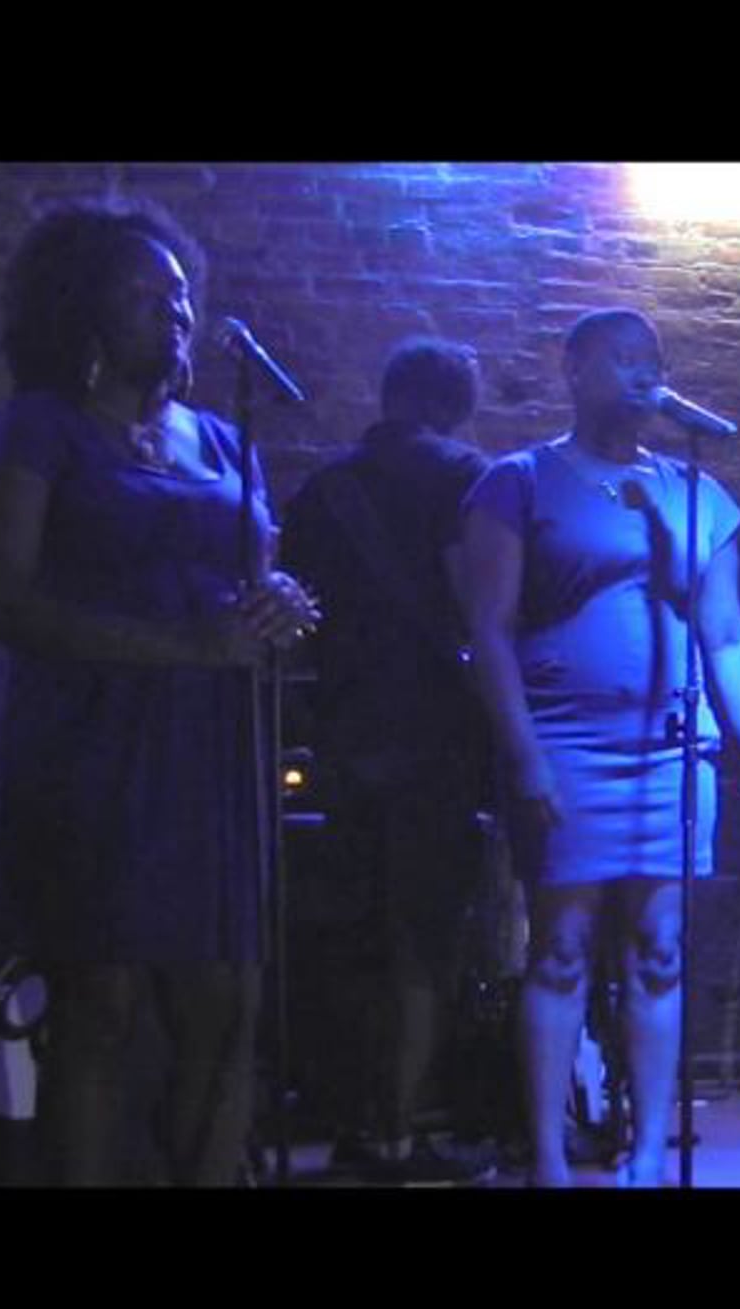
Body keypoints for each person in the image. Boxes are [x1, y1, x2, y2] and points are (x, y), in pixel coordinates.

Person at [0, 198, 319, 1186]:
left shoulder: (226, 442)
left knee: (227, 999)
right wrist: (183, 645)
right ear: (82, 309)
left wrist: (278, 604)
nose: (175, 312)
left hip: (210, 746)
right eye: (144, 295)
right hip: (91, 743)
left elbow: (250, 580)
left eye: (182, 295)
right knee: (103, 1002)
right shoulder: (40, 427)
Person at [454, 308, 740, 1187]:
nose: (645, 373)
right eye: (623, 358)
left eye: (654, 359)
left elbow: (727, 635)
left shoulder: (695, 491)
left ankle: (647, 1155)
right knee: (561, 949)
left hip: (672, 750)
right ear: (573, 369)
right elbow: (488, 630)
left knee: (660, 949)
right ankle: (549, 1158)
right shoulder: (518, 481)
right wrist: (523, 755)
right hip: (565, 743)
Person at [280, 336, 497, 1184]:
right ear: (456, 405)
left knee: (347, 935)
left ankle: (347, 1121)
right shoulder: (468, 476)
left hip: (343, 737)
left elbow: (292, 616)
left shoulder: (324, 490)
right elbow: (485, 607)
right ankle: (400, 1131)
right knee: (424, 939)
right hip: (439, 740)